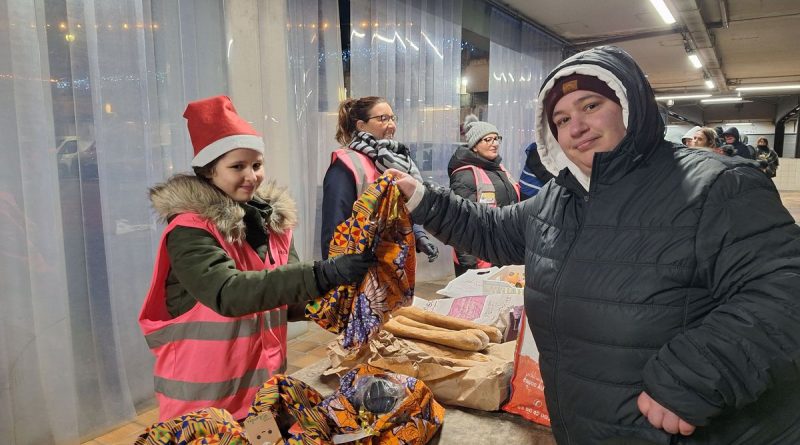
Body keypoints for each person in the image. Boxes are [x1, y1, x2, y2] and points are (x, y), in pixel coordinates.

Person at [388, 46, 800, 444]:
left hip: (694, 428)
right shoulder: (560, 198)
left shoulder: (714, 185)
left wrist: (700, 372)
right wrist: (421, 199)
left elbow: (783, 288)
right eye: (561, 118)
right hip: (590, 426)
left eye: (590, 106)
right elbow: (492, 230)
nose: (576, 126)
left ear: (630, 105)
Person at [139, 96, 374, 421]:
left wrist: (336, 304)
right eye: (237, 167)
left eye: (257, 164)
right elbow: (229, 293)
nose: (251, 175)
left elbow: (285, 297)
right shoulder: (189, 230)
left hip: (261, 393)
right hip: (202, 404)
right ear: (209, 171)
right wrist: (323, 273)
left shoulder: (272, 224)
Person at [321, 96, 438, 262]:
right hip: (361, 268)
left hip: (395, 265)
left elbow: (405, 207)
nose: (391, 125)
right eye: (383, 119)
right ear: (361, 126)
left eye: (392, 118)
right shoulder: (347, 164)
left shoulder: (399, 160)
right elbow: (335, 226)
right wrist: (335, 271)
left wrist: (419, 236)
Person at [448, 121, 519, 275]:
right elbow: (462, 223)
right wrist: (469, 268)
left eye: (496, 138)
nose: (494, 144)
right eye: (488, 140)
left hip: (502, 252)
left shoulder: (499, 169)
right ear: (474, 145)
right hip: (480, 258)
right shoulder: (464, 176)